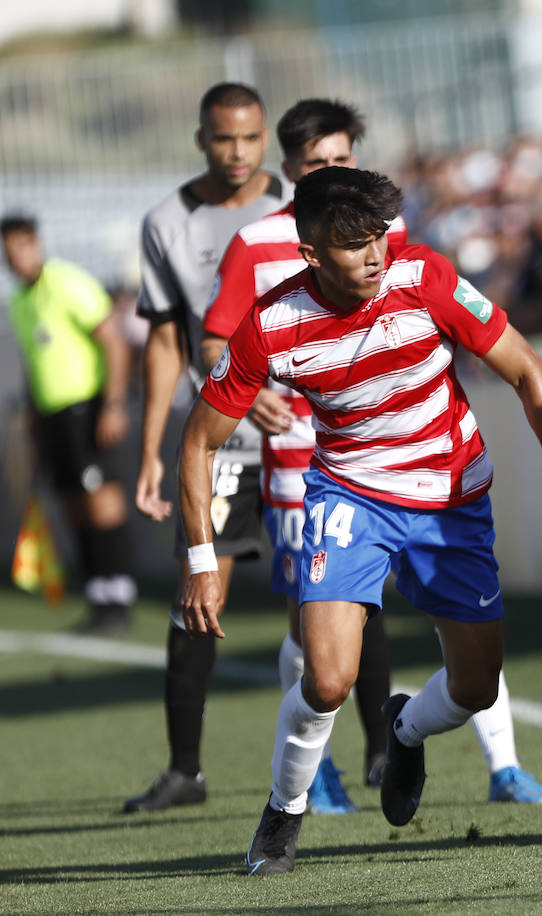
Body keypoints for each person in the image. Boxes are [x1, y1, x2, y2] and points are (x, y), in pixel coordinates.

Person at [177, 167, 542, 876]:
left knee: (474, 688)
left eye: (379, 236)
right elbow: (199, 441)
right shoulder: (271, 326)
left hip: (452, 500)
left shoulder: (427, 278)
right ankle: (284, 815)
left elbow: (528, 371)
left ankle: (404, 730)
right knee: (325, 680)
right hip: (350, 498)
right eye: (353, 244)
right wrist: (200, 564)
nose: (375, 254)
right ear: (312, 254)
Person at [202, 97, 542, 809]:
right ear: (294, 174)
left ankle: (473, 753)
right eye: (318, 165)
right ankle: (299, 792)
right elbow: (218, 350)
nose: (335, 173)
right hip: (320, 468)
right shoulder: (257, 255)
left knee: (471, 666)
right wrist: (249, 404)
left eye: (344, 158)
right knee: (319, 655)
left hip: (442, 486)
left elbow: (519, 362)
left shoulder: (402, 255)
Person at [124, 82, 289, 813]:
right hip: (222, 442)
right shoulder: (167, 222)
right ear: (201, 139)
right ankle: (185, 770)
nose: (237, 152)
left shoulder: (301, 201)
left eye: (250, 138)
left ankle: (380, 755)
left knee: (350, 587)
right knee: (200, 589)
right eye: (223, 138)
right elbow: (167, 340)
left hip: (311, 430)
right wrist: (158, 443)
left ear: (266, 139)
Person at [2, 215, 138, 632]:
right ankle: (99, 594)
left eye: (23, 246)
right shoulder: (21, 301)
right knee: (73, 503)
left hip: (86, 408)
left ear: (37, 244)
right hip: (51, 416)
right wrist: (31, 419)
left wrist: (113, 404)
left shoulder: (65, 282)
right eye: (9, 250)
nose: (17, 256)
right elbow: (34, 363)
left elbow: (112, 338)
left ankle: (120, 594)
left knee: (101, 500)